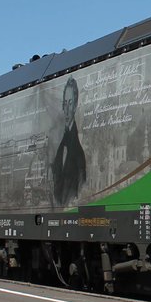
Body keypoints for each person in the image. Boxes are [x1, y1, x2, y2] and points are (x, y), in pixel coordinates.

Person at [51, 76, 87, 205]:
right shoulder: (61, 144)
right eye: (65, 103)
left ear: (75, 105)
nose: (66, 109)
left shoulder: (79, 155)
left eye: (70, 103)